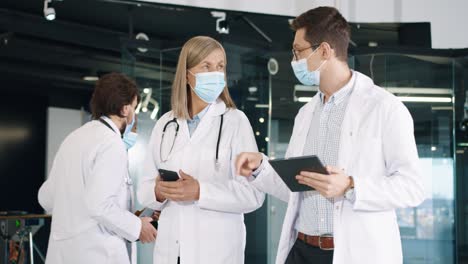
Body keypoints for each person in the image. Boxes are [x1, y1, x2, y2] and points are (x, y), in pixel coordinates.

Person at [236, 7, 425, 264]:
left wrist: (350, 185)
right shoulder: (306, 113)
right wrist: (260, 169)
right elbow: (295, 187)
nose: (294, 60)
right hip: (301, 250)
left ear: (324, 50)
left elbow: (412, 188)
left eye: (298, 51)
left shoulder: (384, 108)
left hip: (354, 252)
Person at [137, 36, 264, 264]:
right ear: (187, 75)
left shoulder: (236, 122)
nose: (215, 73)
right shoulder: (166, 124)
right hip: (171, 251)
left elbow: (253, 194)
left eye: (220, 66)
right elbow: (144, 189)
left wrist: (200, 191)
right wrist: (159, 191)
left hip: (217, 252)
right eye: (206, 66)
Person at [38, 72, 157, 264]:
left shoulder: (74, 138)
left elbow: (46, 198)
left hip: (64, 254)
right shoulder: (111, 143)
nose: (134, 115)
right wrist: (137, 226)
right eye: (135, 108)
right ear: (125, 109)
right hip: (96, 254)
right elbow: (100, 206)